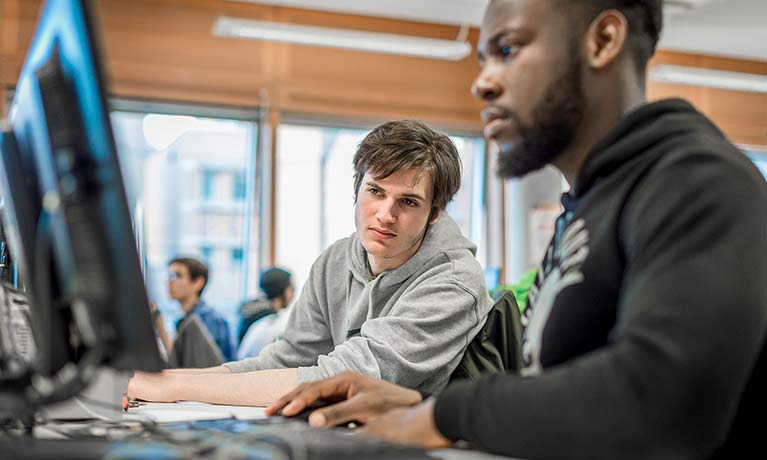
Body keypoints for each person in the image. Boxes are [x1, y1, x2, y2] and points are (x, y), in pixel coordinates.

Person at [265, 1, 767, 459]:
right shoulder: (589, 207)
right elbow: (565, 400)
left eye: (508, 50)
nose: (482, 82)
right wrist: (419, 403)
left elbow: (658, 402)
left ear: (603, 41)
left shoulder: (693, 179)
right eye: (485, 58)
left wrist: (445, 413)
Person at [127, 120, 494, 406]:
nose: (385, 214)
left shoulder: (454, 282)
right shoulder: (335, 261)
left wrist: (176, 386)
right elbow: (284, 360)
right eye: (376, 191)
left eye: (409, 202)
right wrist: (169, 382)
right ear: (357, 190)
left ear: (435, 213)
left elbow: (344, 380)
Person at [153, 257, 235, 362]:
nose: (169, 282)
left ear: (198, 283)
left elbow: (194, 366)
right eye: (169, 276)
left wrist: (161, 327)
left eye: (177, 276)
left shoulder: (208, 319)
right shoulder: (187, 318)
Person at [236, 267, 294, 359]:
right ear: (283, 290)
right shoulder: (271, 322)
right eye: (291, 289)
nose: (293, 294)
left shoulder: (254, 310)